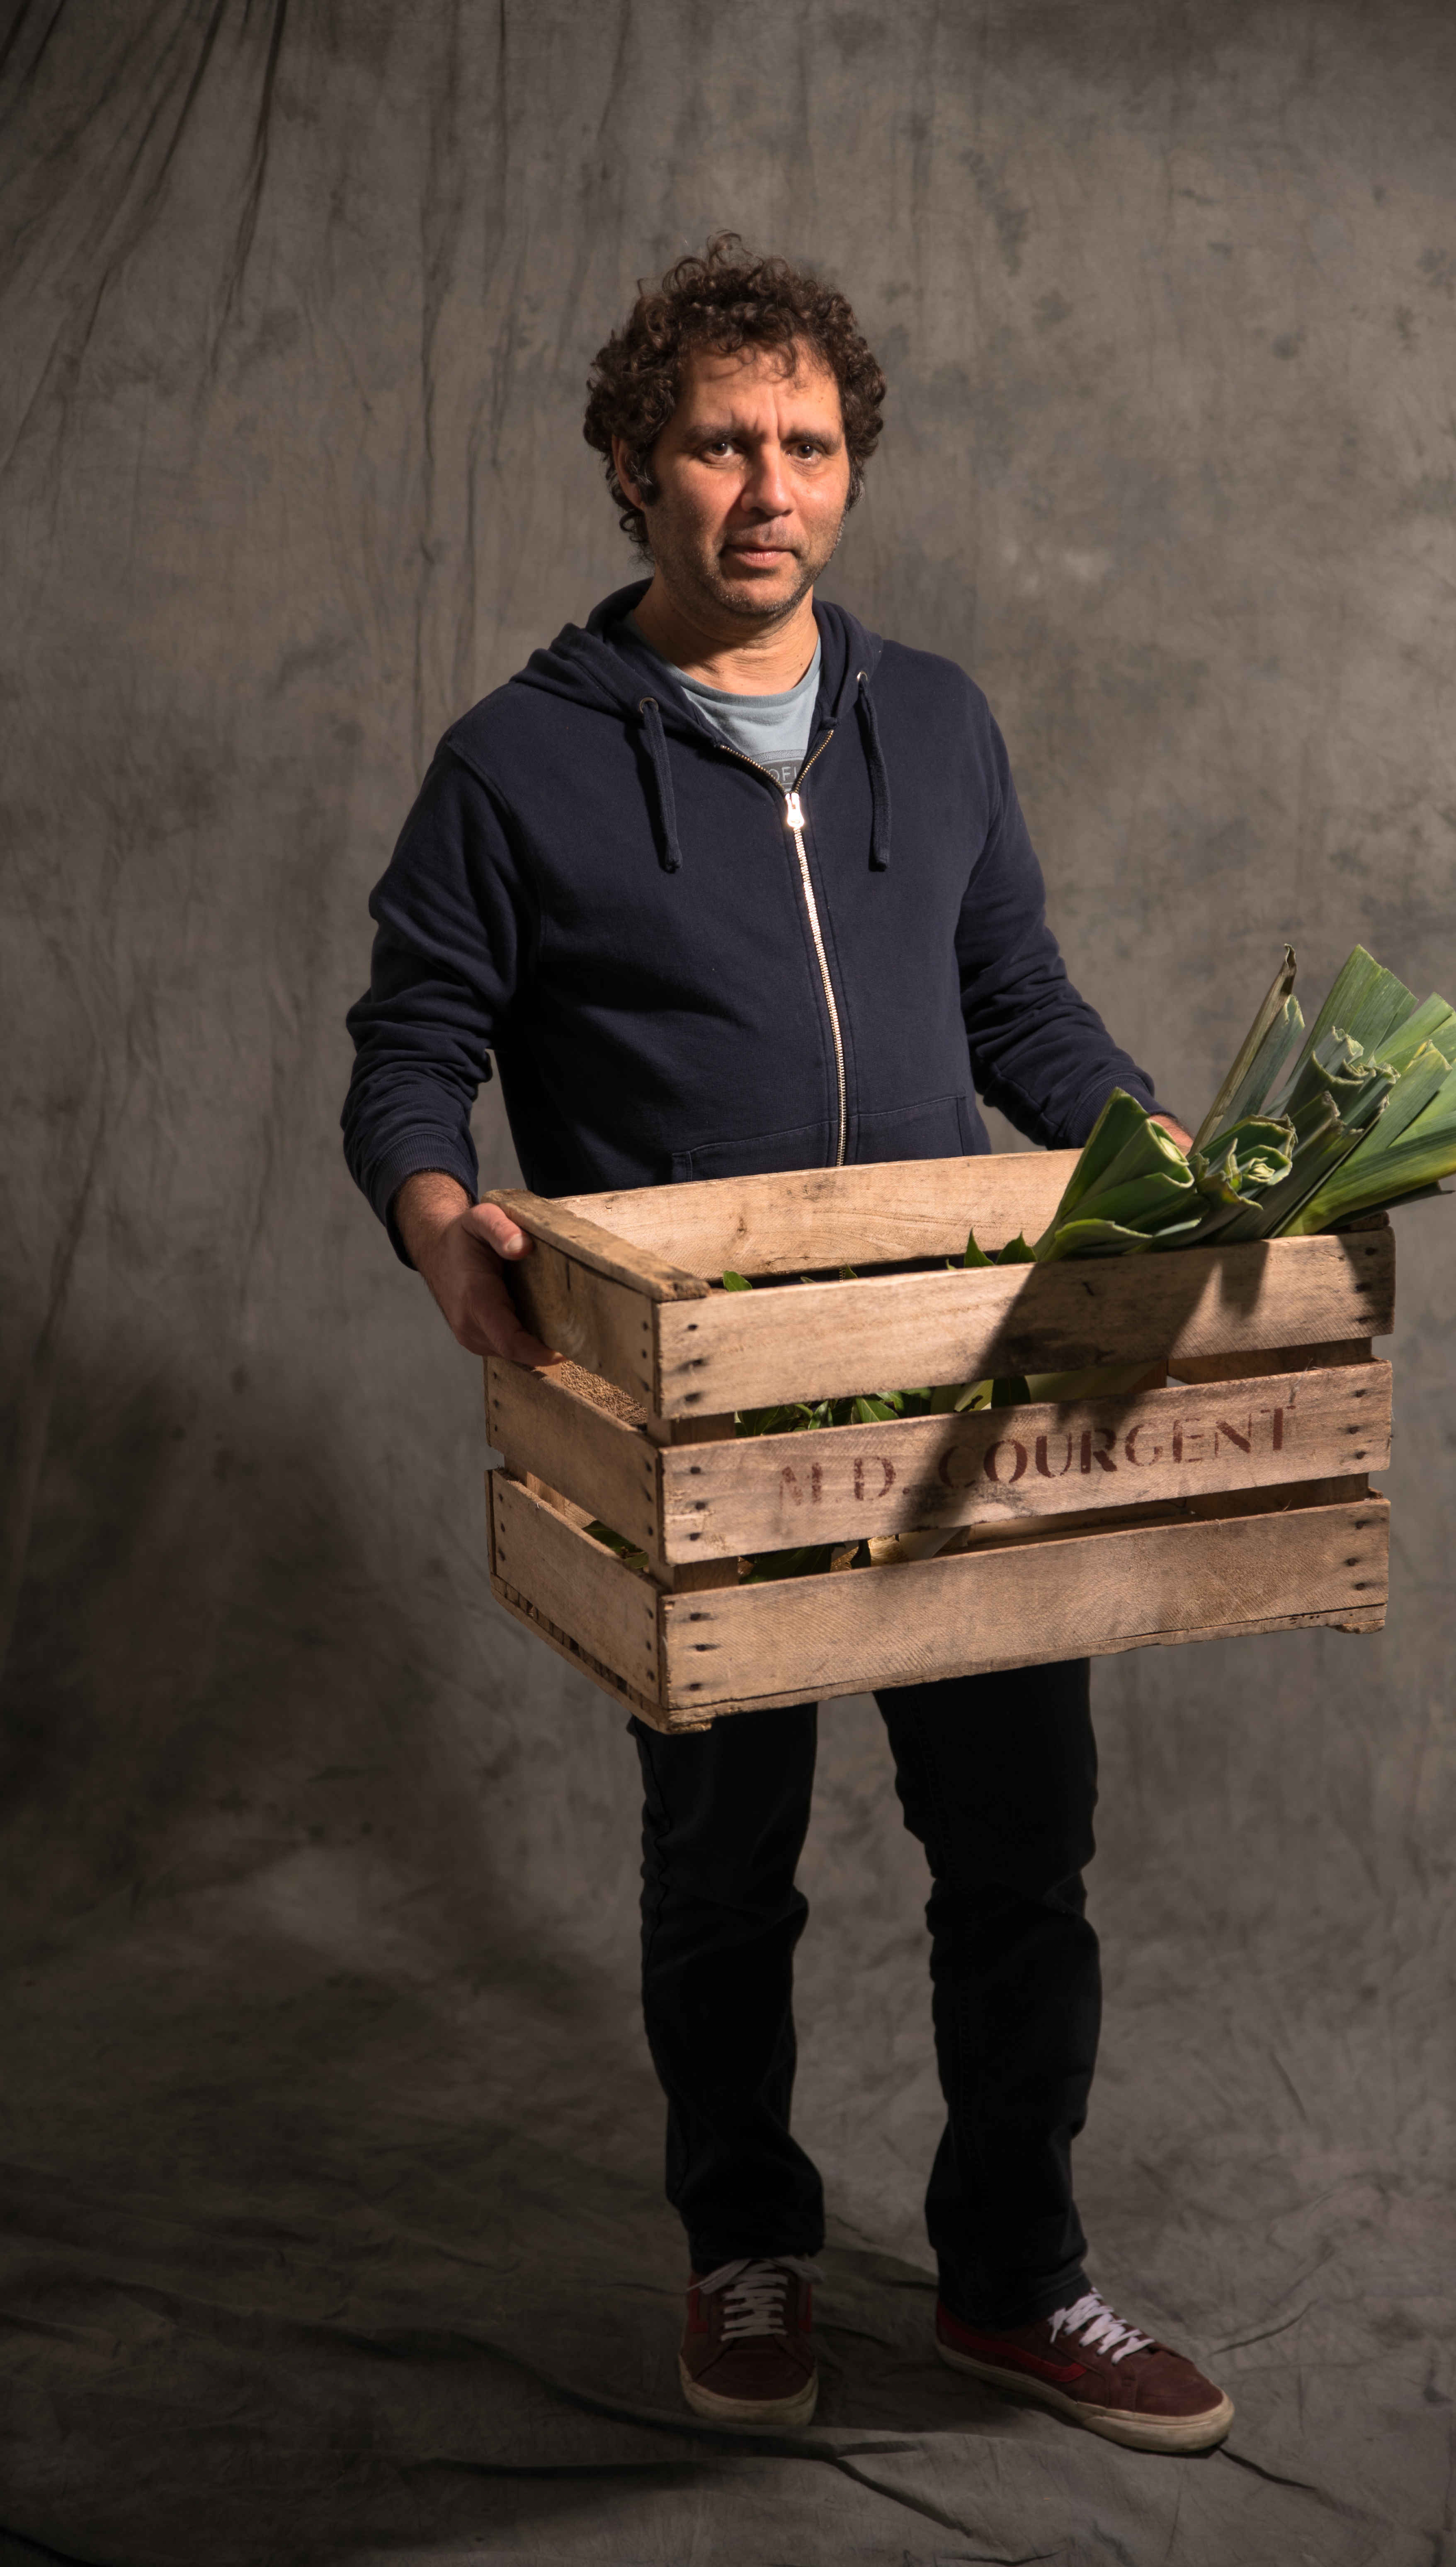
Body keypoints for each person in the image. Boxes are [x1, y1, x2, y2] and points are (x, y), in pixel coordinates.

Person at [342, 236, 1233, 2455]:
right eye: (725, 443)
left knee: (1022, 1859)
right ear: (637, 465)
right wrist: (442, 1222)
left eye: (810, 444)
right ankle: (742, 2247)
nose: (771, 486)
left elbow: (1018, 1002)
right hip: (702, 1413)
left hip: (964, 1388)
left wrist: (1153, 1148)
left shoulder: (935, 718)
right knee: (725, 1866)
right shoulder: (514, 767)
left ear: (853, 468)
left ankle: (1021, 2279)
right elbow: (411, 1046)